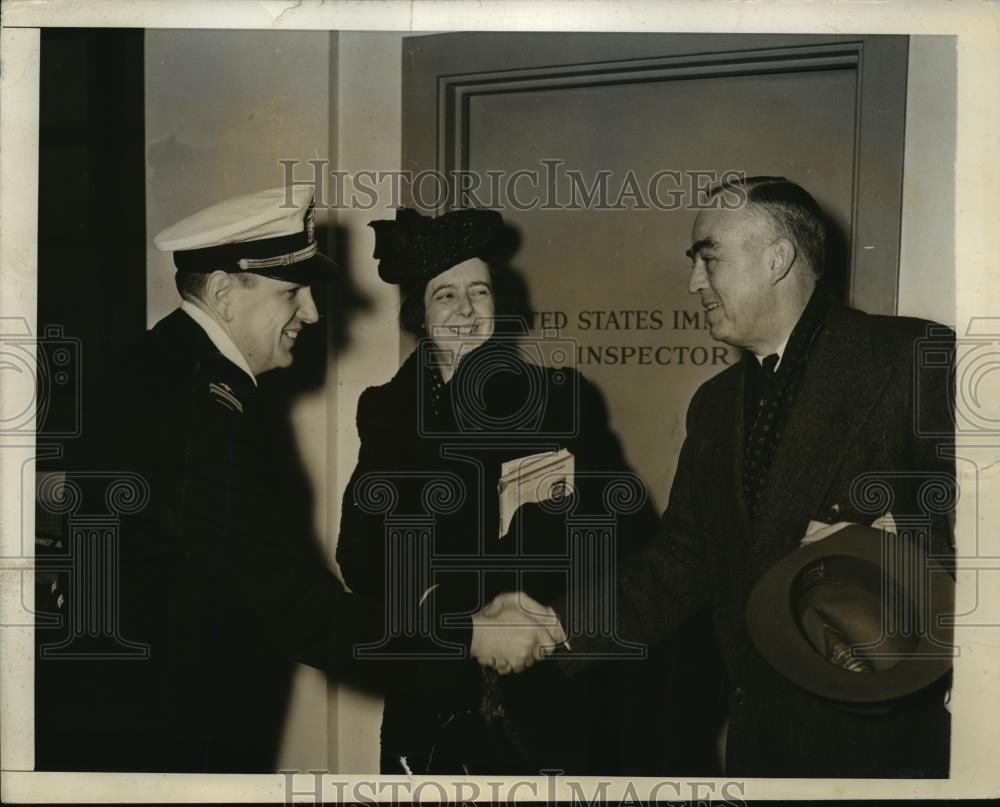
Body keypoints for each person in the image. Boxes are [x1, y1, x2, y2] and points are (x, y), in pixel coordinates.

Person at [34, 187, 558, 773]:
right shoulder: (202, 407)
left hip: (140, 715)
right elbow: (300, 605)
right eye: (291, 292)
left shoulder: (163, 367)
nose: (310, 312)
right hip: (150, 734)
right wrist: (467, 636)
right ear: (227, 293)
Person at [527, 176, 955, 778]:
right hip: (760, 749)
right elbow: (681, 560)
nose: (693, 283)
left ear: (777, 258)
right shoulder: (714, 404)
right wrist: (554, 626)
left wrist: (883, 548)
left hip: (878, 754)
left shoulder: (913, 356)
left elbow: (976, 533)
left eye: (708, 258)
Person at [336, 207, 661, 775]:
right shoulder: (387, 412)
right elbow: (360, 557)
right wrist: (458, 615)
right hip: (433, 691)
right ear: (420, 313)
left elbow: (627, 531)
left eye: (479, 292)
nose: (465, 310)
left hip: (548, 688)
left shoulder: (560, 398)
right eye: (446, 296)